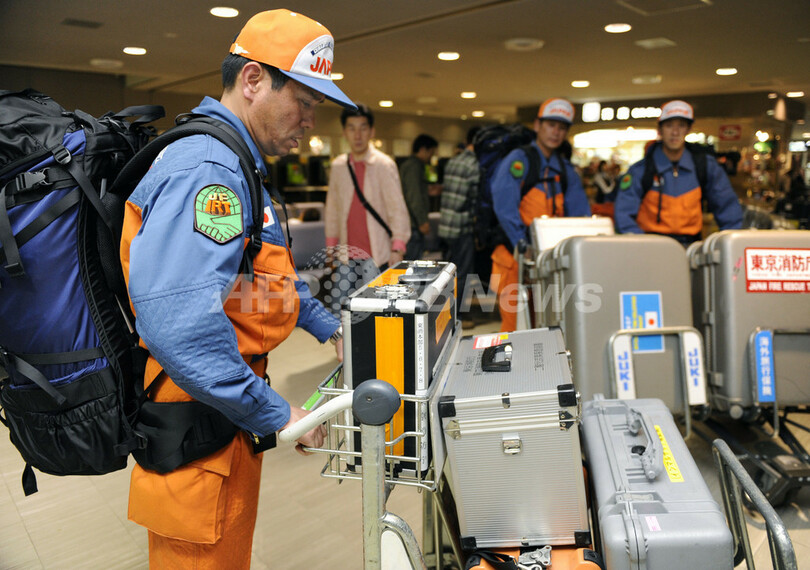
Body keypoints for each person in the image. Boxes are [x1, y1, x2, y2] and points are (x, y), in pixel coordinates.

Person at [119, 10, 353, 568]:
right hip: (197, 416)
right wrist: (274, 412)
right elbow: (179, 325)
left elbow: (263, 274)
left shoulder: (237, 162)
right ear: (253, 80)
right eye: (304, 101)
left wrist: (329, 325)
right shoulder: (209, 171)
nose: (310, 122)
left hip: (224, 409)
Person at [489, 97, 591, 332]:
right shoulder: (518, 160)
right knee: (516, 326)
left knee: (553, 325)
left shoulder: (566, 171)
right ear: (538, 125)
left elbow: (580, 218)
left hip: (551, 262)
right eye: (551, 125)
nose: (556, 132)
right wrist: (523, 245)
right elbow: (504, 207)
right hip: (515, 258)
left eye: (562, 127)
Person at [614, 100, 743, 246]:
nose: (675, 132)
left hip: (691, 248)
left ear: (688, 129)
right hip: (650, 247)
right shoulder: (641, 170)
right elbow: (623, 215)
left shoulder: (705, 166)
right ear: (660, 129)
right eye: (669, 125)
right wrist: (641, 245)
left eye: (681, 125)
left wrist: (730, 245)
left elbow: (728, 209)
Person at [324, 103, 410, 269]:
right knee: (344, 296)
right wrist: (331, 246)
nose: (357, 135)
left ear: (372, 132)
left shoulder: (384, 165)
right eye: (351, 129)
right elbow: (332, 209)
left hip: (378, 255)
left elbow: (397, 209)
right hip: (345, 257)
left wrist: (398, 248)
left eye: (363, 129)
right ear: (344, 133)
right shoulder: (338, 166)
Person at [437, 126, 481, 314]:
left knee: (449, 272)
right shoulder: (474, 165)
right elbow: (475, 199)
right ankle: (460, 313)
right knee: (463, 273)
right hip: (461, 226)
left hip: (445, 225)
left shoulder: (453, 161)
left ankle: (445, 310)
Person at [400, 133, 439, 260]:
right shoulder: (414, 167)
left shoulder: (411, 165)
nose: (432, 156)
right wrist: (422, 221)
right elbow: (414, 196)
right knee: (411, 264)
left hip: (410, 223)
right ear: (423, 149)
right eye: (431, 152)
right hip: (412, 225)